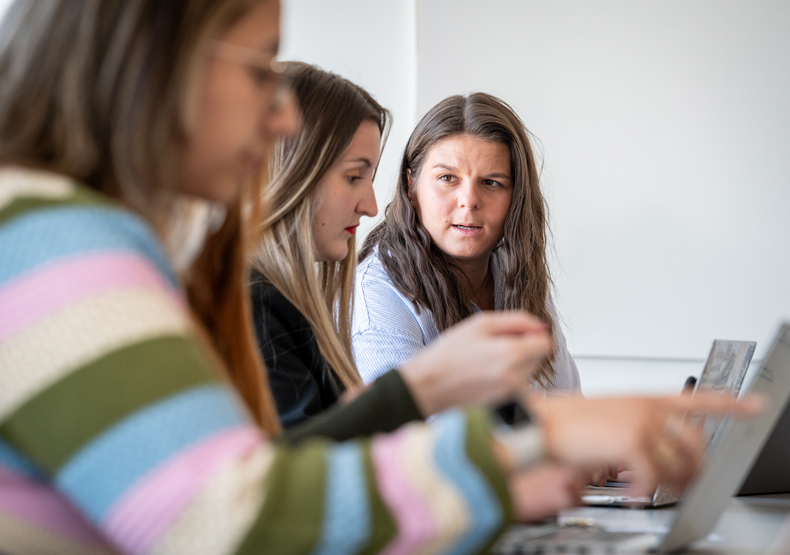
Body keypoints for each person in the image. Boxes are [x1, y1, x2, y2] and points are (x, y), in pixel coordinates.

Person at [0, 1, 763, 554]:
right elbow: (232, 523)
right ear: (153, 63)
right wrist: (539, 440)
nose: (279, 121)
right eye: (261, 69)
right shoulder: (48, 242)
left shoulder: (67, 237)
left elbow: (243, 481)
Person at [355, 93, 580, 412]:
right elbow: (416, 445)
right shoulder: (378, 295)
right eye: (447, 178)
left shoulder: (516, 274)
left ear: (516, 197)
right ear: (411, 186)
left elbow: (566, 402)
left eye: (491, 182)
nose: (469, 200)